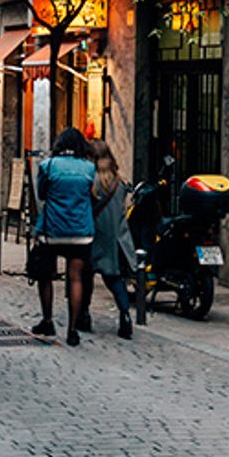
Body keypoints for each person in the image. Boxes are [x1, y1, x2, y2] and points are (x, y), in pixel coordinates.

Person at [30, 127, 97, 347]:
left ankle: (48, 320)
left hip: (53, 230)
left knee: (46, 276)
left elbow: (41, 194)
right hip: (80, 232)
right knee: (76, 277)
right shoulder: (89, 168)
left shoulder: (48, 166)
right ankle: (72, 329)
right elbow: (94, 195)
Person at [89, 139, 136, 340]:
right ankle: (125, 315)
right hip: (116, 238)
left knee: (85, 276)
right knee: (115, 280)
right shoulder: (120, 183)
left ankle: (83, 314)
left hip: (95, 236)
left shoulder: (91, 183)